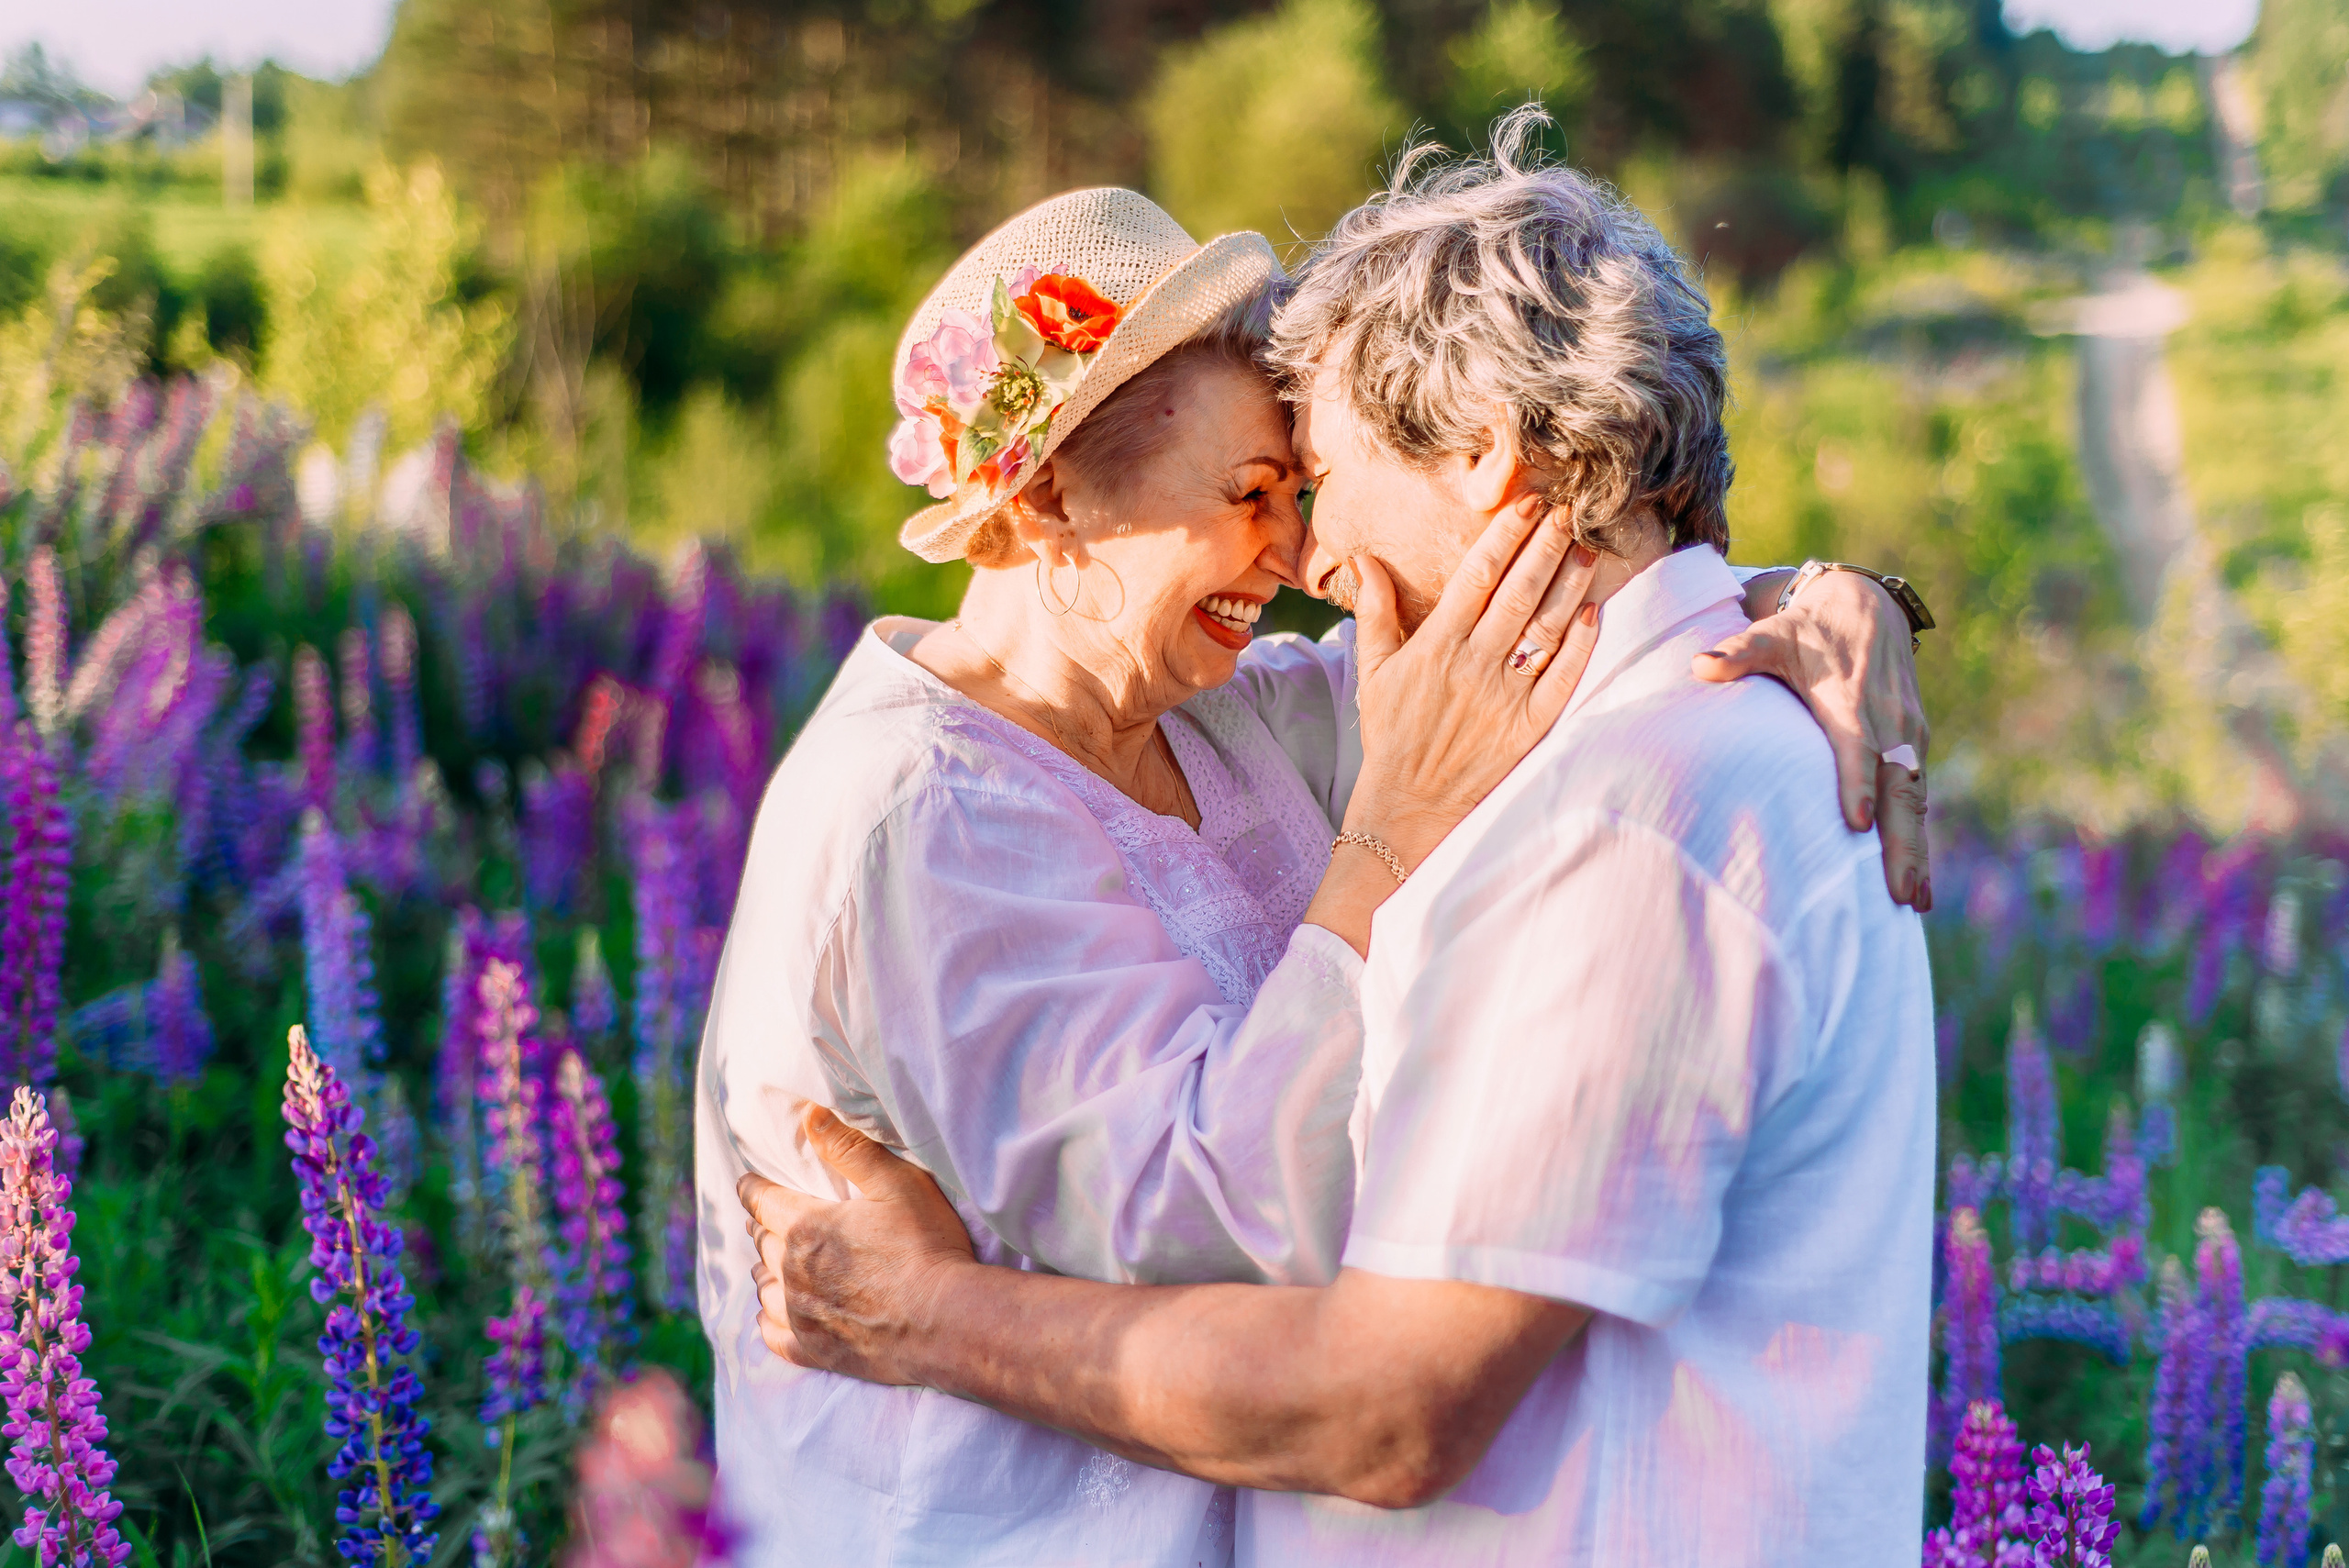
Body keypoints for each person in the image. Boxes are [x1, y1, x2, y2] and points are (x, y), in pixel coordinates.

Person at [740, 114, 1937, 1568]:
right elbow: (1204, 1240)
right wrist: (1380, 846)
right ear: (1049, 495)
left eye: (1307, 483)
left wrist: (1822, 589)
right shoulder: (919, 813)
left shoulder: (1317, 734)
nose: (1299, 554)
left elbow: (1580, 611)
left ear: (1490, 457)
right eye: (1250, 492)